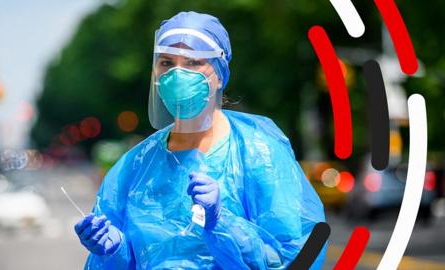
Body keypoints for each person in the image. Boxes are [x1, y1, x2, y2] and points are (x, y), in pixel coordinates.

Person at [74, 11, 326, 269]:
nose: (177, 74)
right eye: (166, 63)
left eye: (193, 62)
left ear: (219, 75)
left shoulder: (257, 153)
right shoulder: (135, 166)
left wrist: (221, 223)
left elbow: (295, 257)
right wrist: (114, 250)